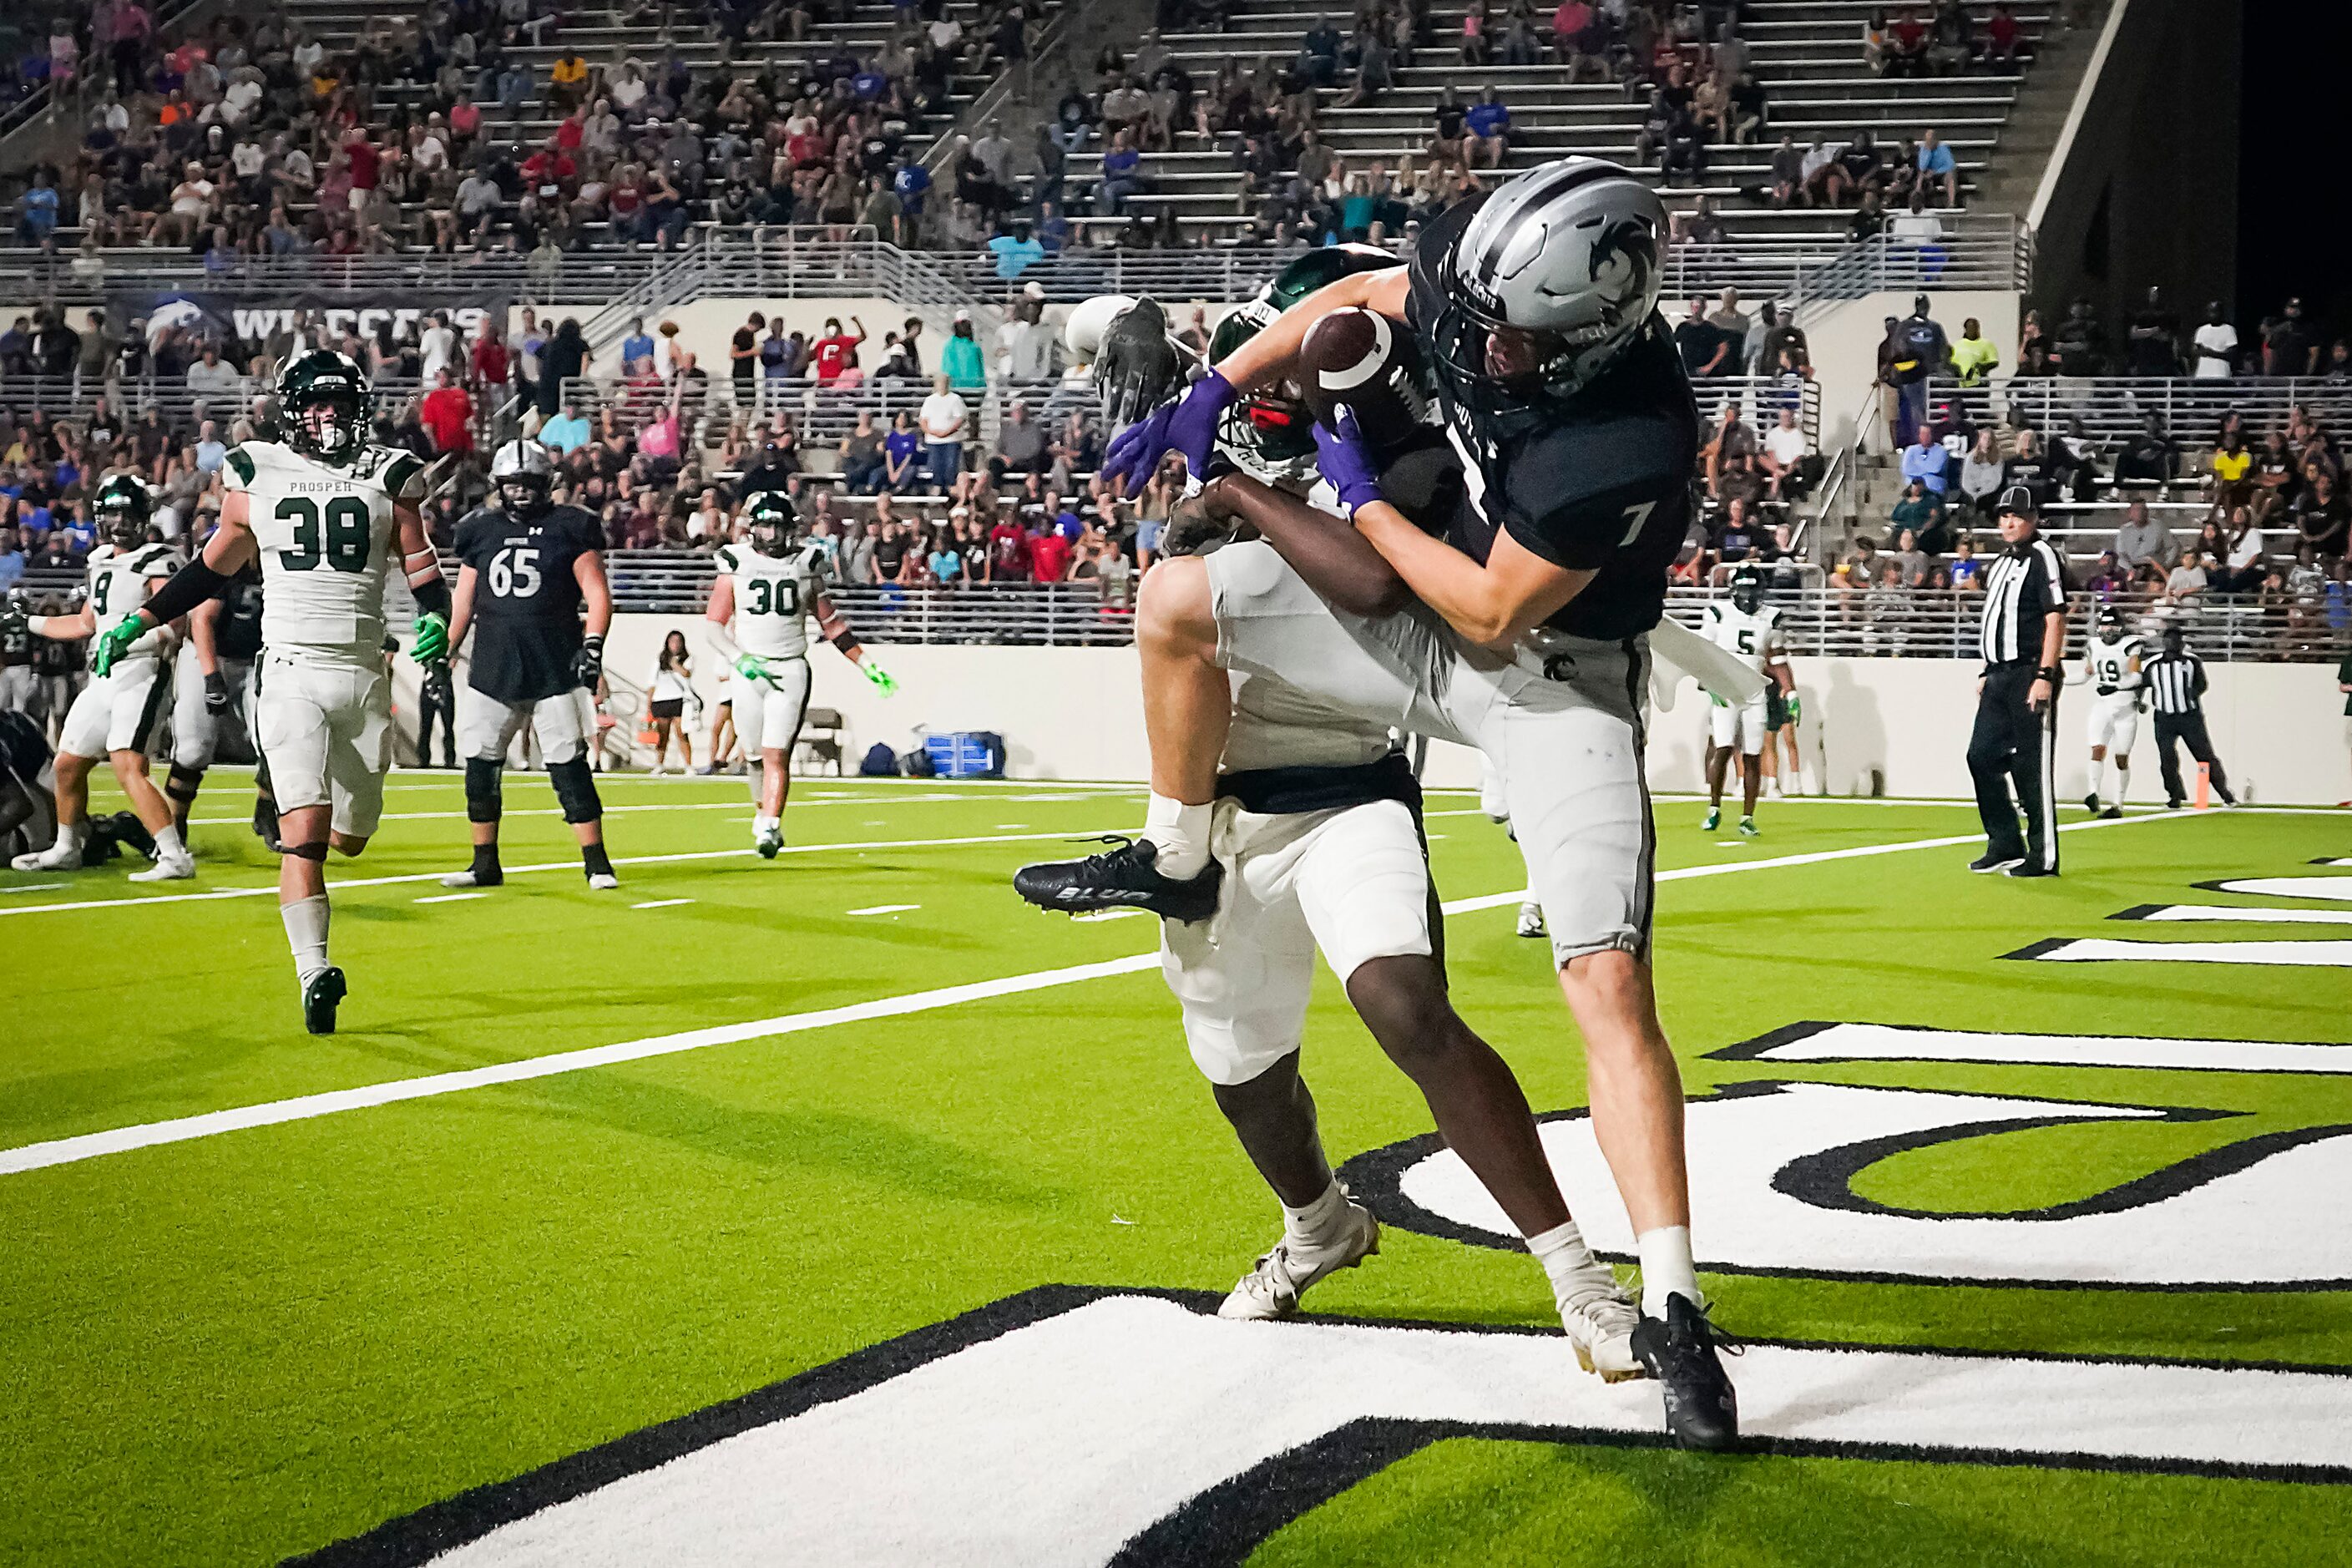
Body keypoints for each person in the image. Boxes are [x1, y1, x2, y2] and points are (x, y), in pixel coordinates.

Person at [1024, 159, 1741, 1448]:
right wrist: (1213, 390)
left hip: (1544, 676)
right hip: (1408, 633)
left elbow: (1485, 609)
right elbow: (1361, 291)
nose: (1482, 348)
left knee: (1605, 979)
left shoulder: (1621, 437)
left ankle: (1671, 1299)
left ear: (1598, 330)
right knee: (1179, 600)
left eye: (1516, 337)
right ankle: (1175, 851)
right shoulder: (1474, 275)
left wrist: (1346, 486)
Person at [89, 350, 446, 1034]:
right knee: (303, 832)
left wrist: (433, 615)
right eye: (317, 402)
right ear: (294, 409)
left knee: (350, 838)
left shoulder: (390, 474)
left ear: (359, 407)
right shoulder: (256, 472)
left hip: (362, 675)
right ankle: (314, 971)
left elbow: (421, 561)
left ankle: (321, 907)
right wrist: (139, 620)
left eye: (340, 402)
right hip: (288, 670)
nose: (329, 413)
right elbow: (212, 566)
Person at [437, 441, 619, 893]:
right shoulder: (479, 529)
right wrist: (445, 651)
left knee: (568, 766)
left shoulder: (570, 527)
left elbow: (596, 593)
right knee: (480, 768)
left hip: (553, 663)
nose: (520, 494)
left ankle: (596, 862)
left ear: (547, 485)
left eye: (529, 484)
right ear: (499, 486)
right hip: (493, 665)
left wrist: (593, 646)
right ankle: (484, 864)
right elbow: (464, 599)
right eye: (512, 485)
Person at [10, 475, 193, 882]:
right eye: (111, 514)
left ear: (144, 517)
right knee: (68, 764)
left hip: (144, 673)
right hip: (103, 675)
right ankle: (67, 846)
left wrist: (129, 643)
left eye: (127, 514)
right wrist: (30, 622)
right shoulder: (97, 561)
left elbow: (174, 626)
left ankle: (173, 855)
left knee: (128, 763)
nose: (118, 523)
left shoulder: (160, 558)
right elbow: (86, 623)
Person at [703, 492, 895, 858]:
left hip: (789, 668)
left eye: (778, 525)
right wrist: (738, 659)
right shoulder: (736, 563)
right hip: (749, 669)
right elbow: (713, 625)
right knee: (753, 753)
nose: (771, 533)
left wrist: (868, 666)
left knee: (777, 753)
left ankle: (771, 825)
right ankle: (763, 815)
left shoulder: (806, 563)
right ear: (752, 528)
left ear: (790, 528)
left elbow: (832, 624)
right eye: (765, 525)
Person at [1966, 485, 2069, 877]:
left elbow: (2055, 617)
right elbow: (1996, 619)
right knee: (1981, 756)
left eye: (2018, 516)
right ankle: (2005, 840)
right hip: (1999, 674)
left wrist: (2045, 673)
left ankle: (2043, 856)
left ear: (2033, 520)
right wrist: (1987, 668)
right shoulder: (2002, 560)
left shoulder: (2043, 557)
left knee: (2032, 767)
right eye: (2004, 516)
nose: (2009, 522)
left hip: (2029, 672)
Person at [1699, 566, 1791, 837]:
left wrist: (1791, 691)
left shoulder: (1771, 617)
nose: (1749, 596)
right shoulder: (1718, 613)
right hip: (1726, 688)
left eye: (1753, 590)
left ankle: (1747, 817)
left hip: (1754, 691)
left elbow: (1778, 658)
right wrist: (1707, 682)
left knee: (1753, 754)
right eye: (1745, 590)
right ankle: (1714, 807)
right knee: (1723, 747)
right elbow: (1704, 652)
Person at [2142, 625, 2237, 809]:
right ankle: (2175, 795)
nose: (2173, 643)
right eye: (2169, 639)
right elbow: (2143, 683)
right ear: (2164, 642)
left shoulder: (2192, 662)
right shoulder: (2153, 664)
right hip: (2164, 717)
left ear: (2182, 642)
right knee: (2167, 757)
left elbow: (2202, 684)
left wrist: (2190, 694)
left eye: (2177, 640)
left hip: (2190, 717)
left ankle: (2225, 794)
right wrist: (2139, 701)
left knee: (2204, 756)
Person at [2075, 601, 2144, 819]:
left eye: (2112, 627)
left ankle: (2118, 804)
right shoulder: (2094, 645)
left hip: (2125, 707)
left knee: (2121, 757)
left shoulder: (2130, 645)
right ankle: (2093, 793)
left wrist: (2117, 685)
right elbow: (2086, 674)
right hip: (2104, 705)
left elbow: (2136, 676)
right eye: (2105, 627)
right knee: (2097, 748)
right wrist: (2057, 680)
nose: (2108, 631)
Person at [645, 631, 695, 773]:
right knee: (662, 735)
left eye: (678, 641)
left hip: (679, 699)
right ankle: (659, 765)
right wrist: (648, 705)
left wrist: (675, 664)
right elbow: (652, 683)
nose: (675, 644)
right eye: (672, 641)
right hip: (661, 700)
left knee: (682, 734)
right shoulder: (660, 659)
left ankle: (688, 765)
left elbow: (686, 674)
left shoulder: (687, 659)